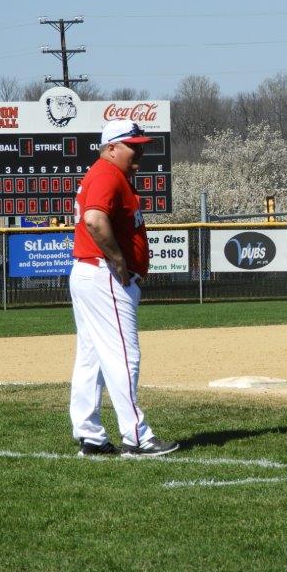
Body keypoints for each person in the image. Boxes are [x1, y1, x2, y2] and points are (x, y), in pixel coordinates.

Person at [69, 118, 179, 457]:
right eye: (134, 146)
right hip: (104, 275)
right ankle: (137, 437)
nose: (139, 153)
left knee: (92, 359)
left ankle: (90, 436)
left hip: (90, 274)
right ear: (112, 147)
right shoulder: (106, 173)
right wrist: (118, 262)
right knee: (123, 357)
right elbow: (94, 219)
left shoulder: (109, 174)